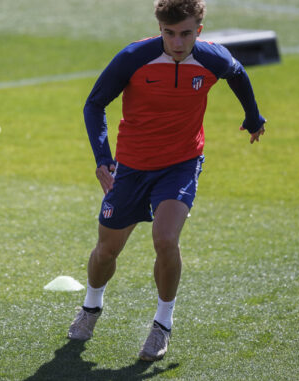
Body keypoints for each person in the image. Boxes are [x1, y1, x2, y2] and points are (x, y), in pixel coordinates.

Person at [67, 0, 266, 362]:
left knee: (165, 239)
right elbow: (94, 104)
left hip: (181, 164)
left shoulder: (212, 58)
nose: (177, 42)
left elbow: (237, 73)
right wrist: (102, 159)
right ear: (160, 29)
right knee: (106, 251)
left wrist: (253, 117)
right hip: (130, 167)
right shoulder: (133, 58)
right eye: (169, 33)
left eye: (186, 34)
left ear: (199, 32)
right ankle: (91, 308)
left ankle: (162, 324)